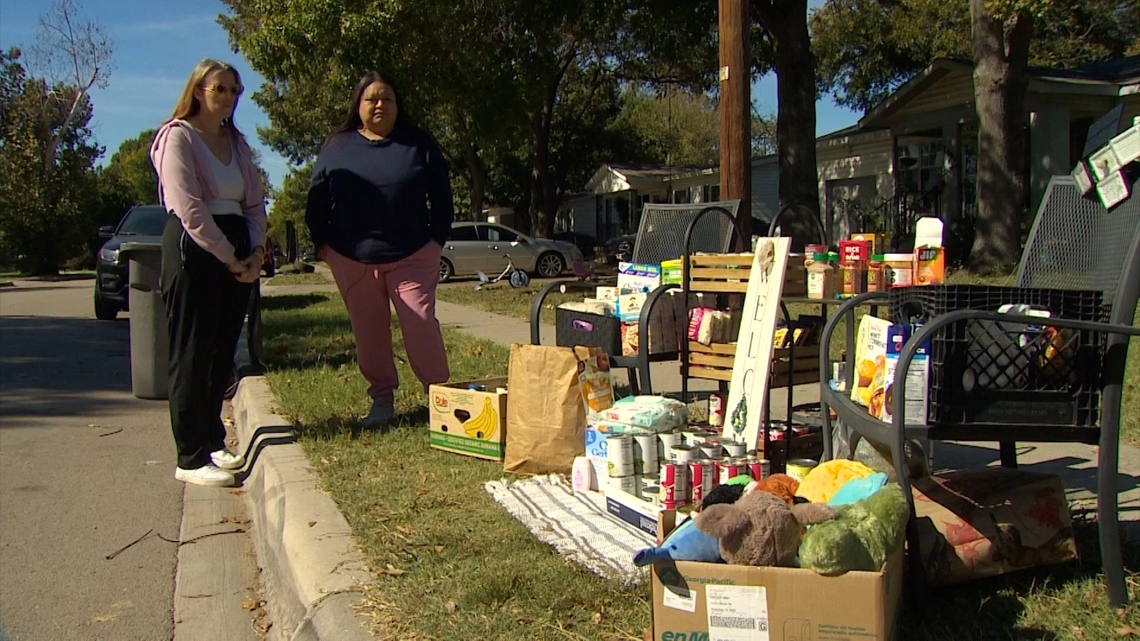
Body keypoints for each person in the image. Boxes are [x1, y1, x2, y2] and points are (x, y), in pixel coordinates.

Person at [306, 71, 453, 427]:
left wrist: (436, 241)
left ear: (397, 104)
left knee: (420, 323)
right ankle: (382, 399)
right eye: (371, 98)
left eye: (387, 98)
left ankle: (442, 399)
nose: (379, 105)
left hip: (413, 254)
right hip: (352, 258)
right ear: (358, 105)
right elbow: (316, 199)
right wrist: (323, 246)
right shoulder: (336, 145)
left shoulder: (418, 142)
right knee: (369, 331)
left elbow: (442, 194)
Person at [150, 59, 267, 487]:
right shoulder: (177, 137)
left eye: (236, 90)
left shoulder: (237, 144)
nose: (230, 97)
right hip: (195, 247)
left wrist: (254, 251)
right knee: (192, 349)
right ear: (199, 90)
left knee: (221, 349)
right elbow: (188, 206)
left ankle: (213, 440)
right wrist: (226, 254)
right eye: (221, 88)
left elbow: (254, 202)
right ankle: (190, 456)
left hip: (236, 245)